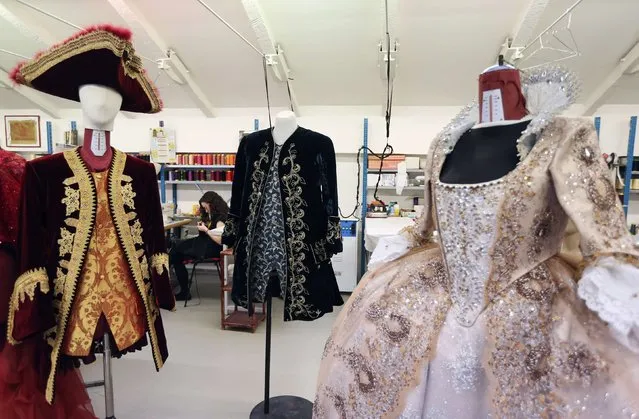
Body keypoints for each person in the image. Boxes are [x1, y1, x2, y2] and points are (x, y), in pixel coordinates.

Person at [0, 148, 96, 418]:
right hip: (27, 267)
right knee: (27, 352)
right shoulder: (21, 165)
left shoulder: (22, 167)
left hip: (10, 270)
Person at [170, 191, 228, 301]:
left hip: (211, 249)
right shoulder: (212, 215)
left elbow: (221, 241)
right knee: (175, 251)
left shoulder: (221, 219)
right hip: (203, 244)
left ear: (213, 205)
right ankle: (182, 289)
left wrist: (205, 230)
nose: (205, 210)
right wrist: (204, 227)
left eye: (206, 208)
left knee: (175, 253)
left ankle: (182, 290)